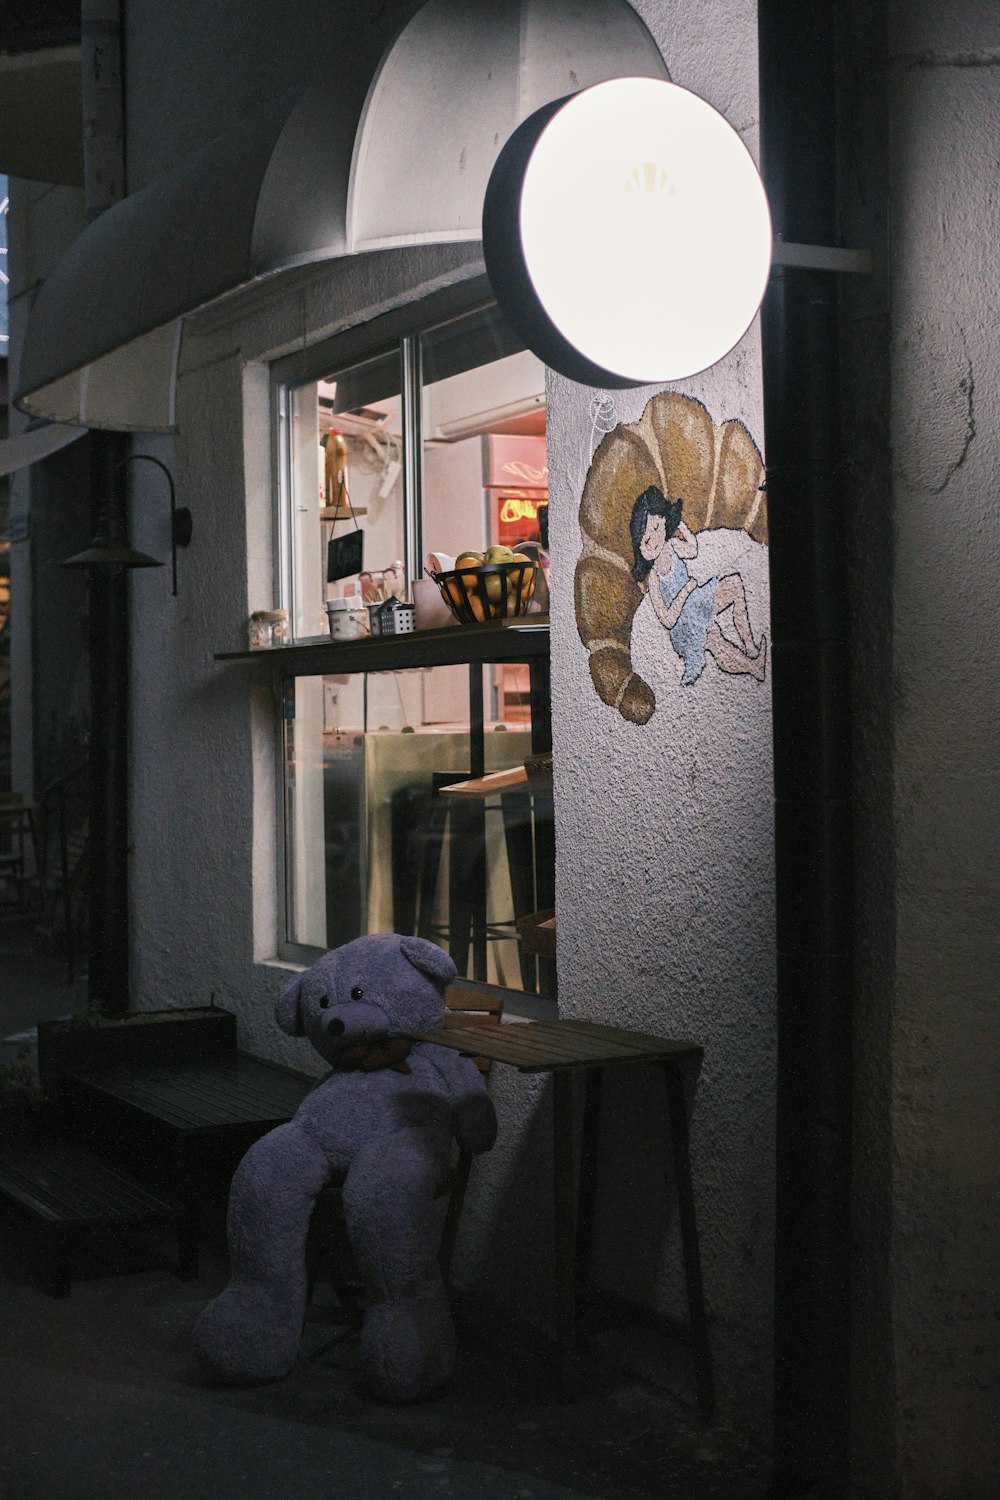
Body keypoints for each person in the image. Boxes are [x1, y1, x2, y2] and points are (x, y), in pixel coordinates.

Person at [629, 485, 766, 685]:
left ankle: (750, 647)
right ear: (640, 549)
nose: (655, 539)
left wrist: (680, 525)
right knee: (713, 640)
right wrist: (685, 591)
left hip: (697, 600)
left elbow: (692, 549)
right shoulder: (654, 579)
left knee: (734, 585)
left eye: (657, 528)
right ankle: (754, 668)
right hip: (683, 625)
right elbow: (667, 620)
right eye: (647, 540)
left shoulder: (672, 545)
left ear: (664, 521)